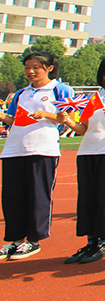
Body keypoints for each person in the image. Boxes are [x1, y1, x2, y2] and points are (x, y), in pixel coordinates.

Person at [1, 51, 74, 261]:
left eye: (36, 67)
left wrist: (48, 114)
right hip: (14, 149)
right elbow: (12, 119)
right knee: (12, 197)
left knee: (37, 196)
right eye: (27, 68)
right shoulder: (21, 94)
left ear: (49, 68)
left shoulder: (59, 89)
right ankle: (14, 240)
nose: (30, 71)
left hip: (42, 149)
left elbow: (70, 117)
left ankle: (33, 240)